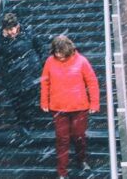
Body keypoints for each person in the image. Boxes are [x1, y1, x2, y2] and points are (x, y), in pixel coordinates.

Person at [0, 13, 44, 138]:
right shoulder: (0, 40)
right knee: (16, 102)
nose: (11, 32)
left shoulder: (28, 33)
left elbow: (40, 48)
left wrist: (43, 64)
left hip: (30, 72)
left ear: (17, 26)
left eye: (12, 29)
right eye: (8, 30)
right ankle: (23, 124)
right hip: (12, 75)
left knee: (28, 100)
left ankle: (27, 125)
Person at [40, 35, 100, 179]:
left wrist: (94, 103)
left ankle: (82, 159)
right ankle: (62, 171)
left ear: (69, 51)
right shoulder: (49, 61)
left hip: (79, 108)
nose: (59, 57)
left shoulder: (81, 61)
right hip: (58, 108)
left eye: (62, 54)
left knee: (79, 137)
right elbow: (45, 83)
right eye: (56, 53)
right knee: (62, 140)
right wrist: (44, 101)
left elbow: (92, 82)